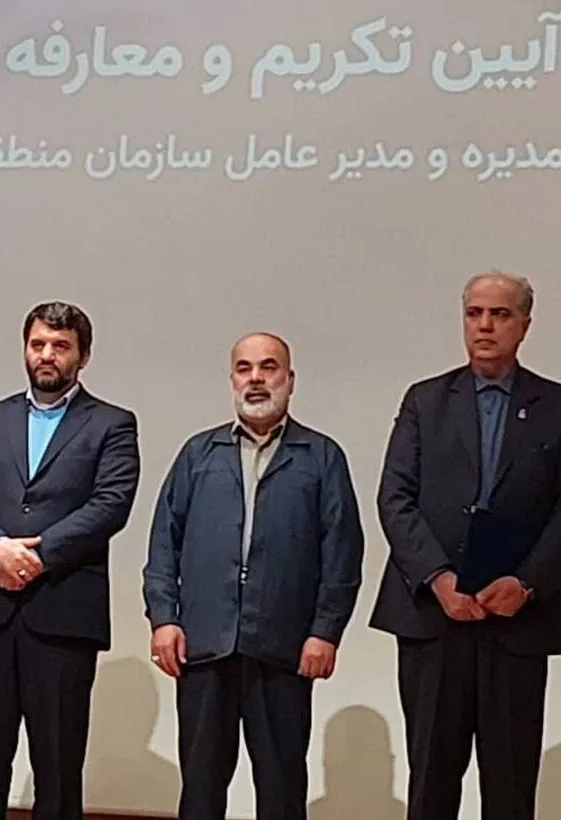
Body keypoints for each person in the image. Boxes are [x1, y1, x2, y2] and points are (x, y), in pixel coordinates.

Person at [368, 272, 561, 820]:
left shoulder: (560, 406)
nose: (485, 326)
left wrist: (528, 584)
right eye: (474, 314)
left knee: (510, 786)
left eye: (500, 314)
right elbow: (395, 497)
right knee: (431, 781)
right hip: (434, 618)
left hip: (516, 622)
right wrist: (438, 578)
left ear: (524, 325)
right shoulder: (425, 400)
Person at [143, 332, 365, 820]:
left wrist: (325, 631)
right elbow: (162, 545)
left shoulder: (321, 456)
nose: (256, 379)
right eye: (244, 369)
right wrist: (163, 618)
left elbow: (343, 553)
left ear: (290, 379)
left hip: (283, 648)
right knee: (201, 787)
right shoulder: (198, 454)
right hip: (204, 647)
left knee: (282, 788)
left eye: (269, 367)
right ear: (232, 380)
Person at [0, 301, 140, 820]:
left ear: (83, 356)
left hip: (62, 613)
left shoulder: (113, 424)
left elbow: (111, 503)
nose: (47, 355)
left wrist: (38, 556)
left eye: (60, 346)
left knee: (57, 767)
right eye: (38, 345)